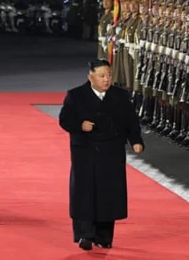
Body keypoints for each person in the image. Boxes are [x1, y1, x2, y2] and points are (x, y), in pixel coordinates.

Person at [59, 59, 145, 251]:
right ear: (90, 77)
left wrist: (136, 140)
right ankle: (84, 234)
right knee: (84, 192)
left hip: (112, 151)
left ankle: (104, 236)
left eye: (109, 75)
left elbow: (131, 121)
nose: (106, 80)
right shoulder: (76, 95)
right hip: (85, 151)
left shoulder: (120, 96)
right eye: (102, 76)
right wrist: (79, 126)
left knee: (109, 193)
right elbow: (65, 119)